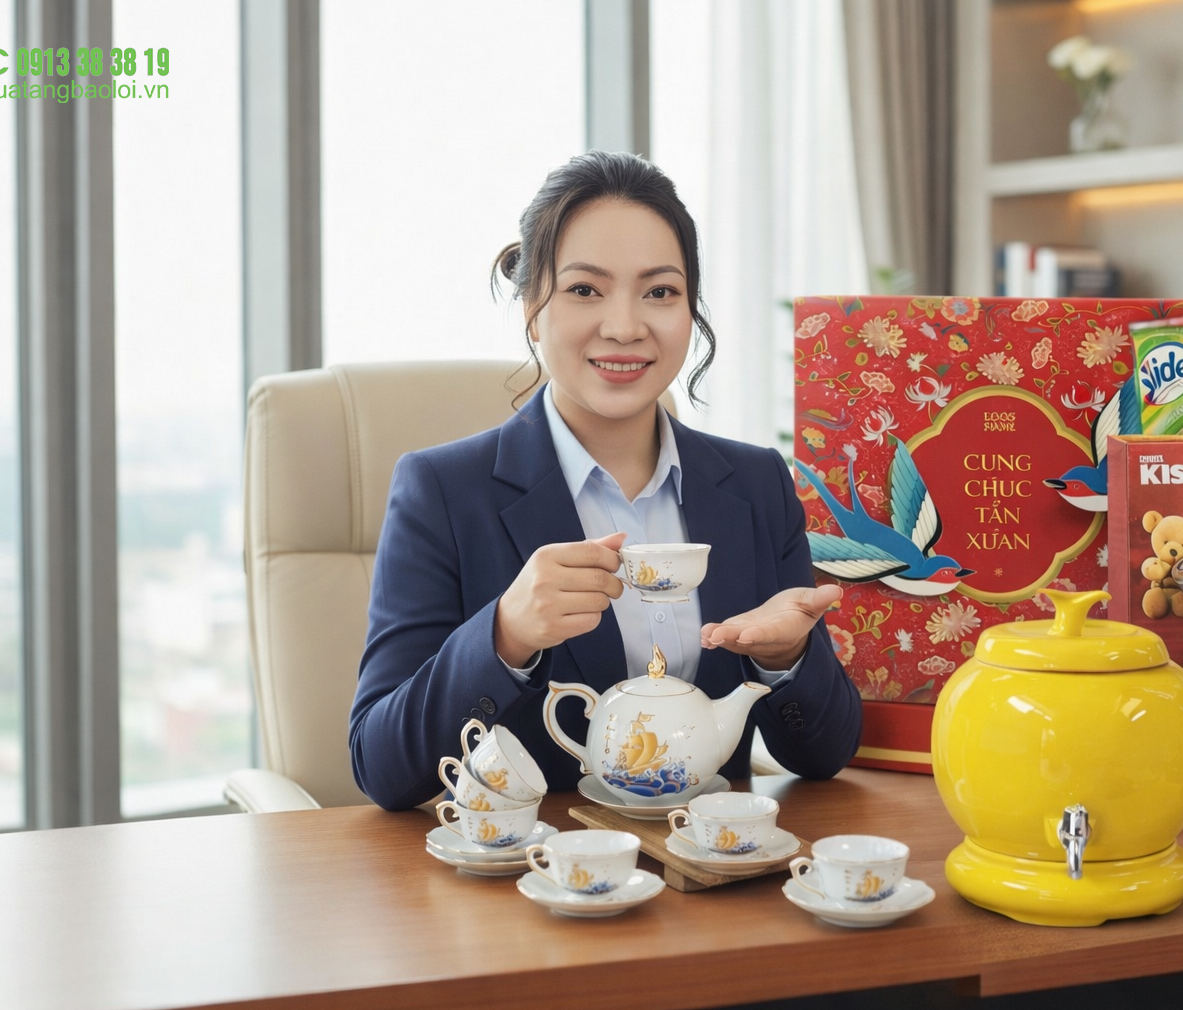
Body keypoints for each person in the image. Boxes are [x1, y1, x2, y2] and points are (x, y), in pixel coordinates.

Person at [350, 151, 862, 810]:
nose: (624, 327)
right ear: (532, 307)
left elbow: (824, 755)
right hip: (535, 866)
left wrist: (787, 658)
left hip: (708, 865)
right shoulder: (442, 492)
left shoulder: (757, 483)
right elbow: (382, 767)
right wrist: (504, 636)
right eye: (585, 290)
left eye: (660, 292)